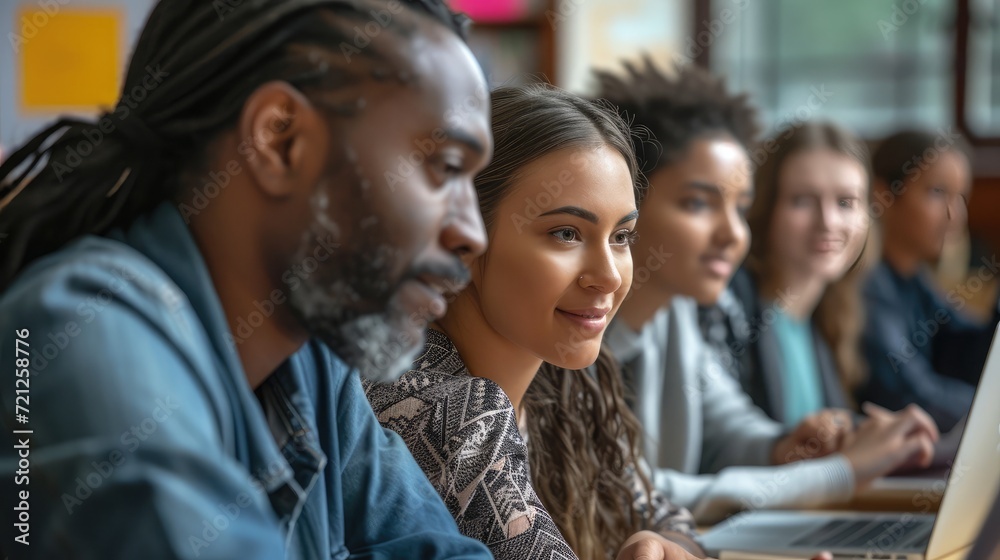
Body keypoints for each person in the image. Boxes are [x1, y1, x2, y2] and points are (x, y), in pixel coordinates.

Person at [0, 0, 497, 557]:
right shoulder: (82, 332)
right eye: (447, 167)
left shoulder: (312, 360)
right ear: (281, 140)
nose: (472, 233)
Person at [366, 83, 702, 560]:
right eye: (566, 233)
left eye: (622, 236)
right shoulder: (445, 409)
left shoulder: (565, 386)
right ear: (462, 235)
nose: (608, 275)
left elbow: (667, 517)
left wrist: (663, 548)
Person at [596, 58, 939, 524]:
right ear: (627, 202)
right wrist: (838, 472)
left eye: (740, 206)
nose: (733, 234)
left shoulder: (673, 310)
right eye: (698, 203)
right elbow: (630, 490)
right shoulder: (577, 329)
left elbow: (729, 428)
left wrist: (786, 445)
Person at [700, 122, 872, 428]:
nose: (829, 222)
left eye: (845, 202)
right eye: (803, 200)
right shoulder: (726, 306)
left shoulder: (830, 314)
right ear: (765, 208)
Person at [860, 130, 999, 432]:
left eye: (960, 196)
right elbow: (913, 395)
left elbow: (970, 350)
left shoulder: (913, 279)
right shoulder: (866, 286)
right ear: (883, 195)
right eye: (937, 193)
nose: (954, 215)